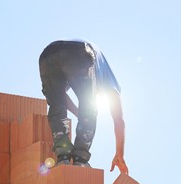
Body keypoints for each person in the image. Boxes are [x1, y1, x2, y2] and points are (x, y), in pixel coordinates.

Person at [39, 39, 128, 173]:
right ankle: (80, 158)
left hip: (48, 54)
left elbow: (60, 98)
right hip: (80, 52)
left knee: (57, 107)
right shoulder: (110, 80)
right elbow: (118, 120)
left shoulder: (82, 72)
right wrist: (120, 155)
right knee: (89, 107)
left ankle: (63, 156)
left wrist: (77, 112)